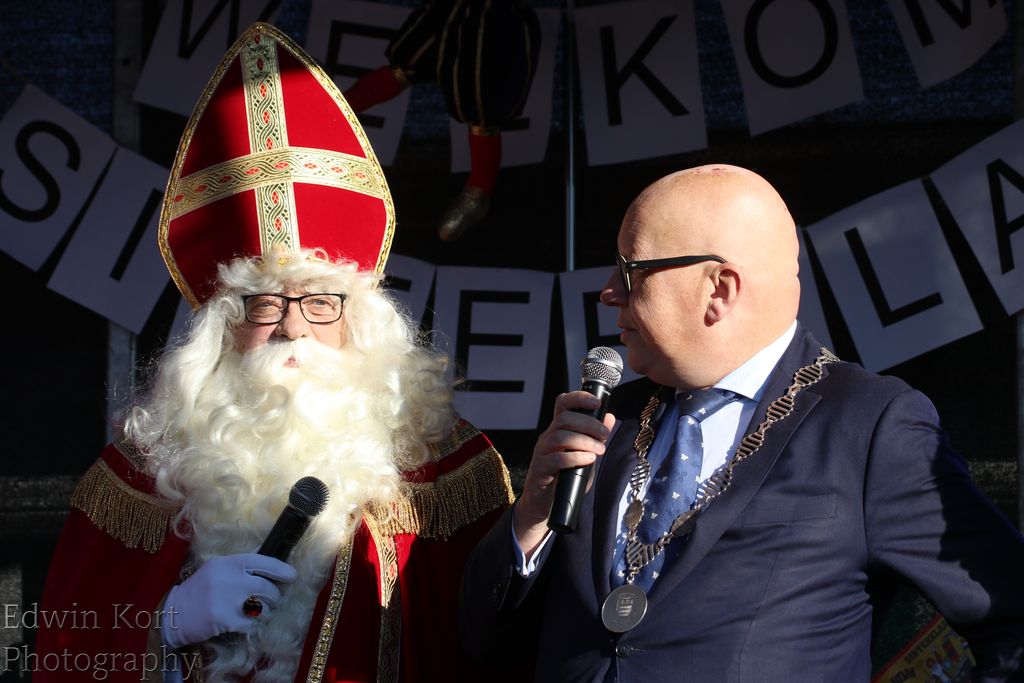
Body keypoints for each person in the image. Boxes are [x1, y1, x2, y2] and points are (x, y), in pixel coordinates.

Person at [34, 23, 515, 683]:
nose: (292, 327)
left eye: (320, 301)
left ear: (359, 320)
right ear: (221, 328)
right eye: (263, 303)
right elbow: (63, 652)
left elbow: (499, 646)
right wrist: (166, 624)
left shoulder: (446, 470)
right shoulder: (140, 474)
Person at [459, 164, 1024, 681]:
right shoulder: (607, 420)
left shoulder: (868, 424)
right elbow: (482, 641)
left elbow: (1012, 617)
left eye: (631, 271)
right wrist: (531, 519)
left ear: (719, 289)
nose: (609, 292)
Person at [343, 0, 540, 241]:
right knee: (408, 61)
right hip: (449, 10)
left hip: (492, 16)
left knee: (480, 88)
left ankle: (478, 191)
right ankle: (332, 107)